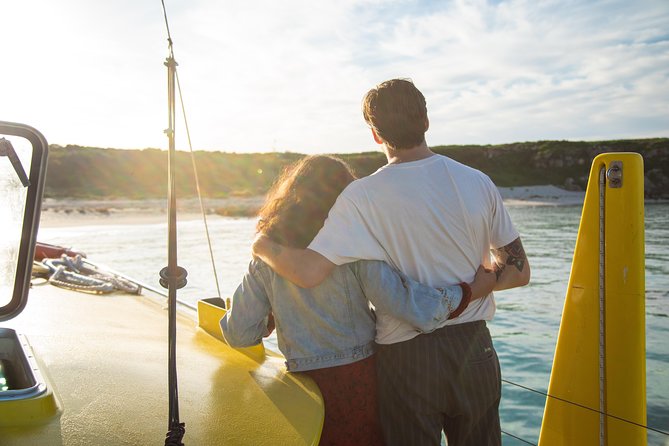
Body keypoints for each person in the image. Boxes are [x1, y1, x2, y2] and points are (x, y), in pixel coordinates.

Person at [252, 79, 531, 445]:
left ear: (375, 135)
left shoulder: (361, 196)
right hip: (474, 345)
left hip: (405, 355)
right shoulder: (477, 181)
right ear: (426, 121)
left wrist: (262, 246)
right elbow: (519, 270)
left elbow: (308, 273)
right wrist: (480, 286)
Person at [221, 155, 496, 446]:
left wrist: (272, 317)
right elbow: (413, 308)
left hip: (302, 390)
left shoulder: (266, 258)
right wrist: (469, 290)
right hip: (361, 383)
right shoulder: (354, 247)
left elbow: (238, 334)